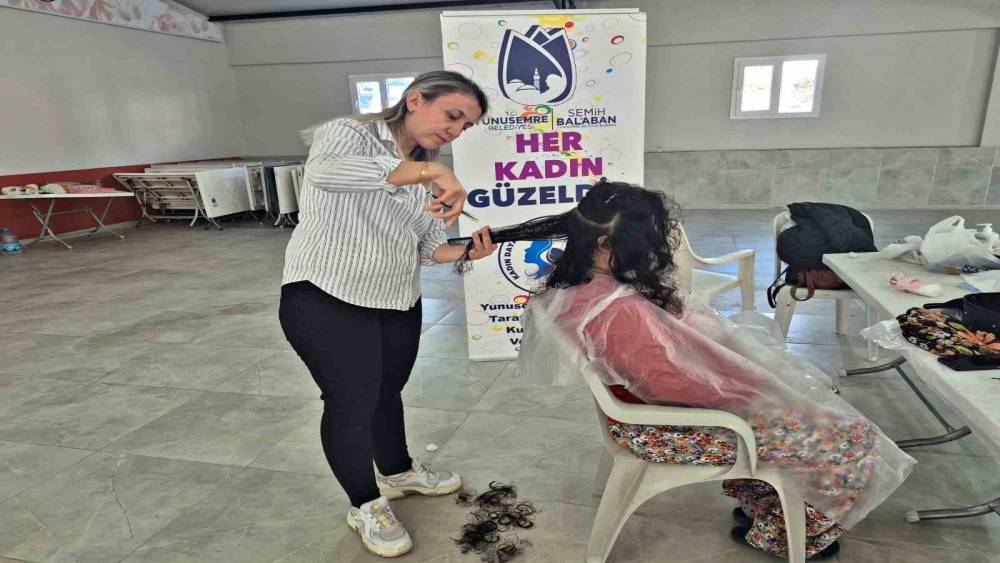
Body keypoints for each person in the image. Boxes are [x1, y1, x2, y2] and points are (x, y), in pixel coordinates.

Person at [513, 180, 915, 559]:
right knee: (845, 436)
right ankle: (786, 532)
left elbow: (668, 364)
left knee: (804, 406)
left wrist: (731, 365)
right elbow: (672, 384)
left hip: (649, 412)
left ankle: (765, 504)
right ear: (604, 243)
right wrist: (748, 389)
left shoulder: (581, 285)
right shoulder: (617, 310)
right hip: (661, 429)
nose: (649, 252)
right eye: (641, 242)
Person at [279, 70, 498, 558]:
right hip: (325, 295)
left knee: (386, 392)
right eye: (452, 116)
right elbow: (325, 174)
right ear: (415, 99)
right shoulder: (348, 133)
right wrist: (429, 173)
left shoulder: (424, 173)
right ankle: (365, 504)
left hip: (395, 300)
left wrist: (468, 251)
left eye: (465, 126)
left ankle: (398, 472)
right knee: (351, 402)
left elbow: (428, 247)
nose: (455, 131)